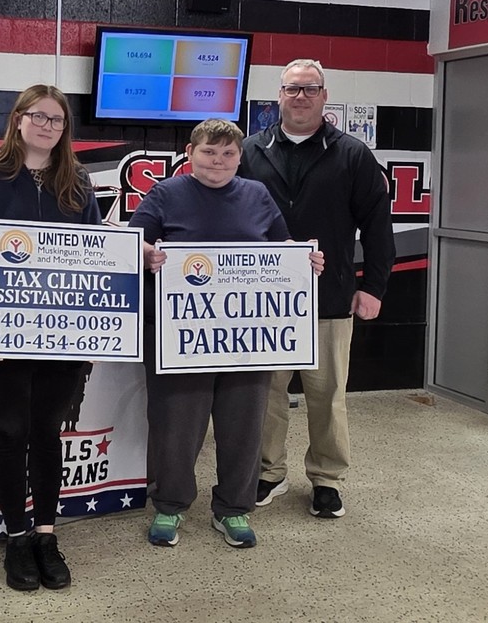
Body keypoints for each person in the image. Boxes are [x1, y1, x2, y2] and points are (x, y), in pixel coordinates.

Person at [128, 118, 324, 550]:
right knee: (175, 425)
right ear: (190, 153)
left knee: (243, 426)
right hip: (180, 338)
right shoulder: (165, 194)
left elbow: (282, 250)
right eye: (208, 152)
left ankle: (233, 509)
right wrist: (144, 253)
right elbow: (131, 245)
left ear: (240, 157)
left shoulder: (256, 195)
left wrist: (305, 264)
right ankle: (170, 504)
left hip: (246, 340)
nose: (218, 161)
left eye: (228, 153)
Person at [0, 84, 102, 592]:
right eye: (38, 116)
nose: (47, 126)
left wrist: (92, 336)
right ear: (18, 120)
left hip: (63, 337)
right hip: (4, 335)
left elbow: (97, 259)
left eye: (57, 119)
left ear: (65, 129)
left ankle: (46, 533)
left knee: (47, 434)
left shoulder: (79, 182)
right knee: (11, 433)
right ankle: (16, 536)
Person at [239, 58, 395, 519]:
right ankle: (270, 472)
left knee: (327, 394)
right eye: (292, 89)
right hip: (262, 302)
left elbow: (378, 226)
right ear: (279, 97)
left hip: (329, 300)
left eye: (310, 89)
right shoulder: (250, 150)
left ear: (324, 96)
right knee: (266, 393)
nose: (301, 96)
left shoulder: (352, 154)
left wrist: (375, 288)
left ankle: (327, 478)